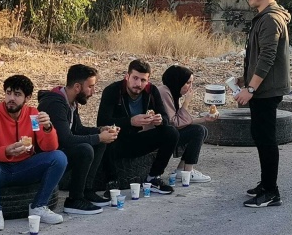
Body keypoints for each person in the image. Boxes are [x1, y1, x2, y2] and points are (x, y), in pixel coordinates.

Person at [0, 75, 67, 231]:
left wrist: (47, 128)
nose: (11, 98)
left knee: (59, 157)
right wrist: (5, 151)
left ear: (28, 97)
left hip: (25, 167)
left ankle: (39, 206)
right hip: (1, 169)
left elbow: (49, 147)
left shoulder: (33, 115)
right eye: (8, 93)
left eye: (17, 94)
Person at [234, 0, 291, 208]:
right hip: (263, 88)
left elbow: (268, 56)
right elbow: (261, 55)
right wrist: (244, 78)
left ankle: (271, 191)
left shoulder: (270, 18)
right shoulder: (265, 16)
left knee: (266, 139)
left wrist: (251, 88)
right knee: (260, 136)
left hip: (265, 90)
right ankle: (265, 183)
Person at [38, 64, 118, 215]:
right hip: (48, 157)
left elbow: (78, 129)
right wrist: (98, 137)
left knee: (99, 142)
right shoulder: (55, 104)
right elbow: (66, 139)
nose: (93, 92)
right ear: (77, 87)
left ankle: (87, 190)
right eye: (90, 87)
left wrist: (101, 130)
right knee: (85, 148)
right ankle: (75, 199)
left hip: (60, 150)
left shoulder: (71, 101)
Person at [97, 59, 177, 195]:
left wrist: (159, 121)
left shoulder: (152, 91)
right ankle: (112, 182)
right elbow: (102, 122)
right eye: (135, 78)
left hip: (140, 138)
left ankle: (153, 177)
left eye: (143, 80)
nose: (138, 84)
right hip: (119, 141)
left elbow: (165, 118)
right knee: (107, 137)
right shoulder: (112, 91)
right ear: (127, 77)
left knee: (171, 133)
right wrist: (130, 121)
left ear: (148, 81)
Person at [159, 65, 215, 183]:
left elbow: (181, 121)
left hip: (169, 132)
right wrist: (186, 102)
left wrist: (204, 119)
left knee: (202, 129)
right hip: (161, 135)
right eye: (188, 83)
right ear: (177, 81)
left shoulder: (173, 92)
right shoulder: (164, 92)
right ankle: (188, 172)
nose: (190, 87)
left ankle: (181, 169)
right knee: (198, 131)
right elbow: (174, 122)